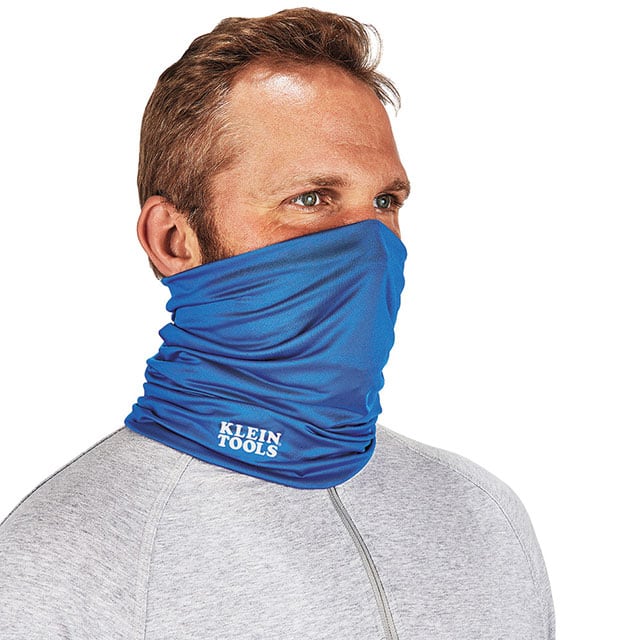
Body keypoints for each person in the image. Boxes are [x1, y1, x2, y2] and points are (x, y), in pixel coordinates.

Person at [0, 8, 554, 639]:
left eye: (385, 202)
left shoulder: (482, 516)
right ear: (173, 240)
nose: (371, 247)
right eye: (310, 199)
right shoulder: (62, 564)